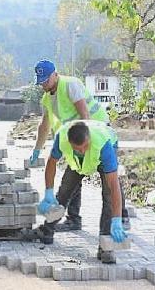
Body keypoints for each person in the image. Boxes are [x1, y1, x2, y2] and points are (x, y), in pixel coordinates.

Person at [29, 59, 129, 231]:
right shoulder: (47, 98)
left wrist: (85, 145)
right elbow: (44, 125)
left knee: (108, 180)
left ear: (55, 74)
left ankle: (120, 217)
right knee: (72, 176)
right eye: (41, 82)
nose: (43, 84)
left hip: (95, 133)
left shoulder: (70, 85)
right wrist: (37, 149)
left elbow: (85, 115)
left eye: (46, 80)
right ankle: (71, 220)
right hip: (74, 137)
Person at [22, 120, 127, 264]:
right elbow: (52, 162)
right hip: (77, 164)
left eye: (85, 147)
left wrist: (116, 220)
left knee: (108, 197)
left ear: (88, 139)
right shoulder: (62, 138)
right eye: (78, 149)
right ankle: (47, 230)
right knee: (64, 192)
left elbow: (114, 187)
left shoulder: (104, 146)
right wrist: (48, 192)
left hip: (102, 155)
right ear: (70, 143)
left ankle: (106, 246)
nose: (82, 151)